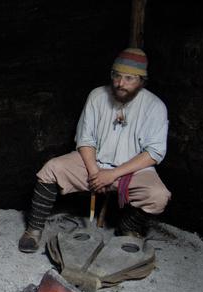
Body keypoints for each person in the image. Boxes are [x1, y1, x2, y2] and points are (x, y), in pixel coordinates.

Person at [18, 47, 171, 253]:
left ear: (142, 80)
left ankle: (128, 228)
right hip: (94, 163)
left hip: (131, 171)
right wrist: (94, 173)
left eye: (129, 78)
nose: (120, 83)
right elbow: (85, 139)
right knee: (52, 168)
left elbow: (154, 152)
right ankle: (34, 230)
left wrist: (112, 175)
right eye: (116, 76)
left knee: (158, 195)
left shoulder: (155, 106)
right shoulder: (98, 96)